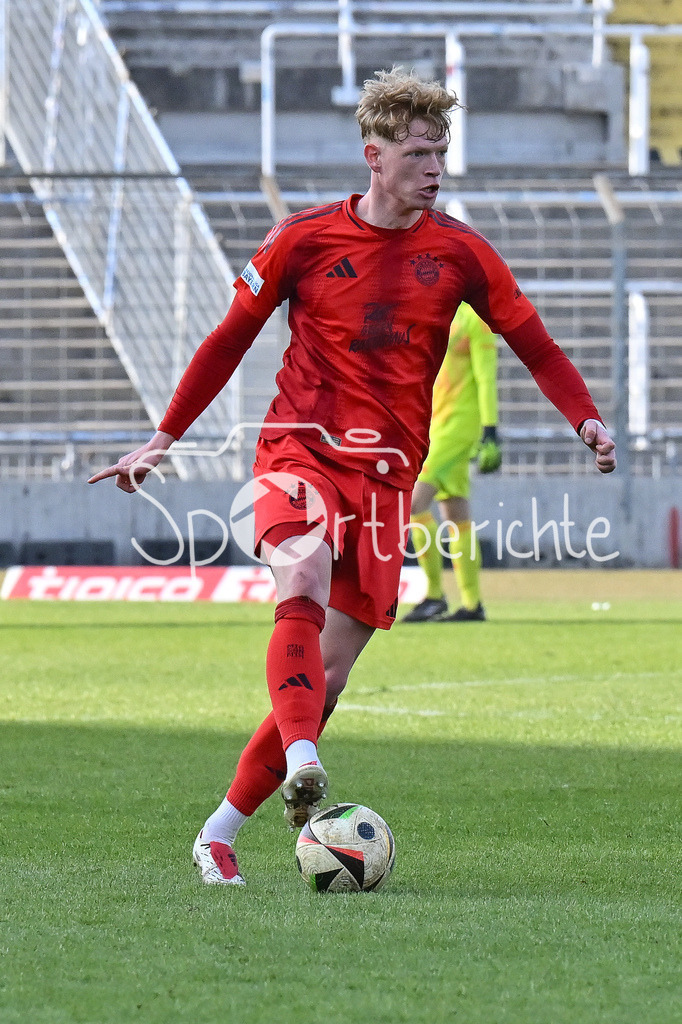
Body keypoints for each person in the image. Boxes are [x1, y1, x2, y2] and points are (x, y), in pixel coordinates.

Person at [88, 67, 616, 886]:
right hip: (299, 452)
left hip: (386, 481)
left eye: (442, 151)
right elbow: (227, 340)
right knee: (297, 567)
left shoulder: (463, 254)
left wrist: (583, 416)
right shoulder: (303, 239)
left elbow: (535, 343)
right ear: (374, 156)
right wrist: (162, 438)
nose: (435, 168)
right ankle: (305, 758)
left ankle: (220, 831)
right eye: (418, 153)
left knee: (326, 678)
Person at [403, 301, 501, 623]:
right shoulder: (435, 309)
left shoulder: (477, 319)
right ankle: (472, 604)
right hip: (434, 422)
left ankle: (433, 595)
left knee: (414, 502)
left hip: (460, 426)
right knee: (455, 510)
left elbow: (486, 377)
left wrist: (490, 430)